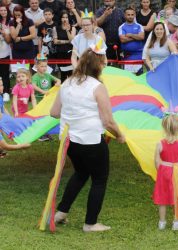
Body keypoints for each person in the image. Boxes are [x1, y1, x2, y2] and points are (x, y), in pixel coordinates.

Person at [50, 45, 125, 233]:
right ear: (98, 66)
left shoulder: (67, 83)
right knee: (99, 179)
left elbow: (54, 112)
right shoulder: (97, 87)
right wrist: (120, 136)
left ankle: (61, 212)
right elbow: (108, 121)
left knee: (81, 173)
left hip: (69, 141)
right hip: (90, 141)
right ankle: (90, 223)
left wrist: (74, 113)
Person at [153, 105, 178, 231]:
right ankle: (175, 222)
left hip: (164, 171)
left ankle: (162, 222)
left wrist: (160, 170)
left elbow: (156, 160)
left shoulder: (160, 143)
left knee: (163, 198)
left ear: (164, 126)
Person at [119, 6, 144, 74]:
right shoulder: (121, 27)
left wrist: (130, 35)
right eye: (128, 15)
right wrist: (136, 37)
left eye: (132, 14)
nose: (130, 16)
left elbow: (142, 37)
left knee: (139, 78)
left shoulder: (139, 26)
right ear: (125, 15)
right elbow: (122, 40)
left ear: (135, 15)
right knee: (127, 78)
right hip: (127, 56)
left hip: (138, 55)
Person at [53, 10, 76, 81]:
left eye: (66, 17)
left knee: (71, 75)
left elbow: (72, 41)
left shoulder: (73, 28)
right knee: (63, 75)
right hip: (60, 53)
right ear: (60, 18)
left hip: (70, 54)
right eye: (63, 17)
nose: (65, 19)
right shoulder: (55, 28)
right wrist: (67, 41)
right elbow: (55, 41)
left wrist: (67, 31)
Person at [0, 4, 12, 102]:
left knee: (5, 73)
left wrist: (3, 33)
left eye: (5, 10)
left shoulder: (11, 21)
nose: (3, 12)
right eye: (1, 10)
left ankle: (6, 92)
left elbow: (10, 40)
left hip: (7, 51)